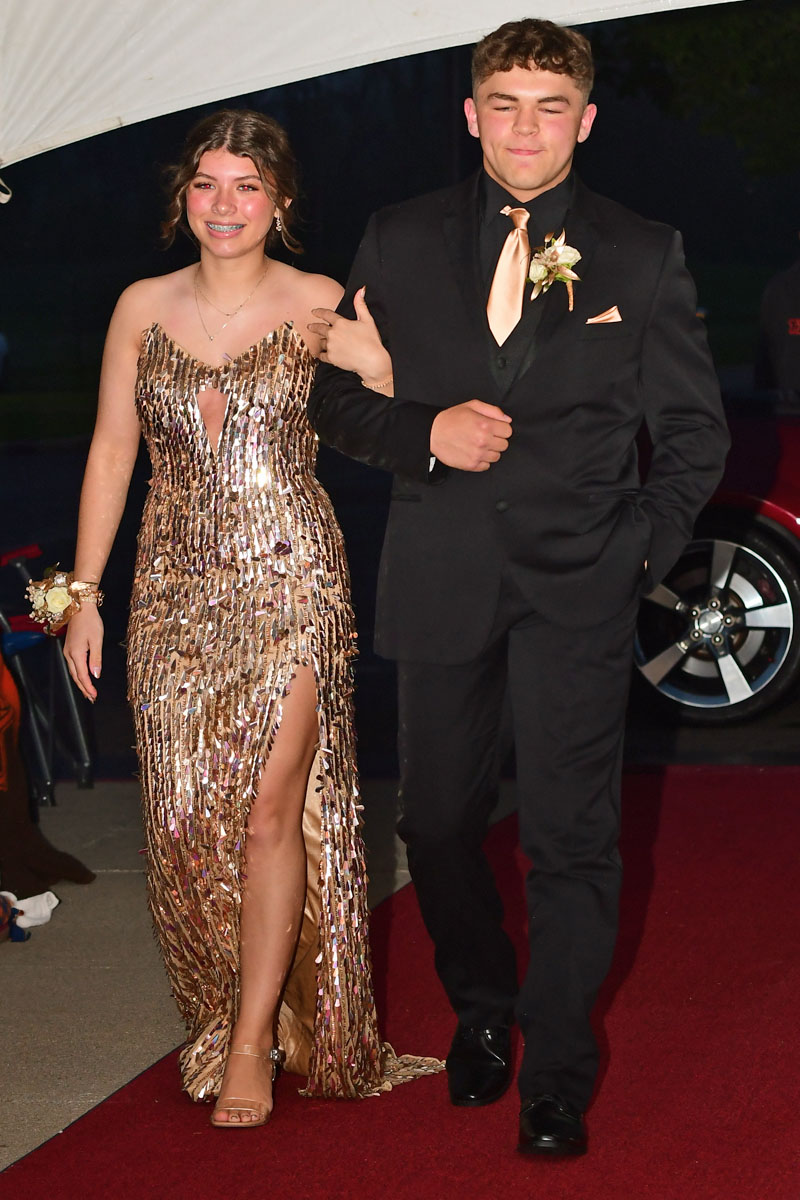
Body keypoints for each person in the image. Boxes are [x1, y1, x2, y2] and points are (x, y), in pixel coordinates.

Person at [308, 18, 730, 1156]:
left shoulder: (641, 251)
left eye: (550, 108)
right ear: (471, 115)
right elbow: (331, 397)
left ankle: (556, 1071)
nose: (526, 128)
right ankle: (482, 1006)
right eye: (505, 104)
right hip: (441, 574)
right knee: (437, 823)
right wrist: (424, 432)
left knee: (570, 837)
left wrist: (638, 550)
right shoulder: (396, 238)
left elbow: (694, 433)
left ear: (584, 121)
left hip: (582, 585)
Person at [56, 109, 439, 1128]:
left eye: (246, 186)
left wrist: (379, 365)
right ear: (182, 197)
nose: (224, 206)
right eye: (206, 185)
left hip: (291, 581)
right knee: (186, 821)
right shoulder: (141, 306)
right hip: (171, 591)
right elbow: (112, 452)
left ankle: (250, 1043)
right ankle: (232, 1003)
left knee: (271, 811)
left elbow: (397, 422)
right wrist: (84, 595)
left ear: (281, 201)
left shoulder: (318, 300)